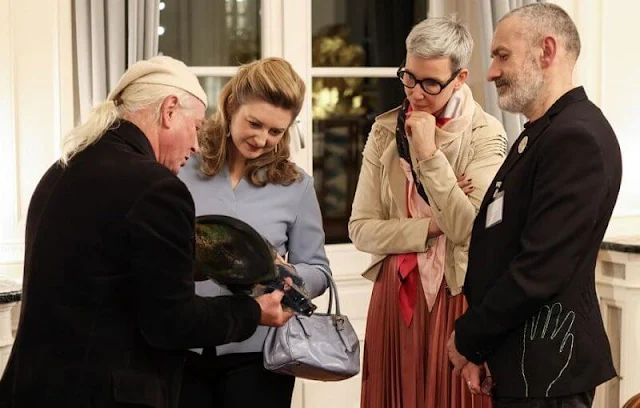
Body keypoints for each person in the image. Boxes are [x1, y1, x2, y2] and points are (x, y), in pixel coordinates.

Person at [0, 56, 293, 408]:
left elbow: (102, 274)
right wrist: (253, 312)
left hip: (29, 389)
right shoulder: (156, 187)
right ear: (170, 110)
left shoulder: (63, 168)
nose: (197, 146)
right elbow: (173, 323)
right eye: (196, 128)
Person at [448, 3, 621, 407]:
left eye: (501, 55)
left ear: (546, 51)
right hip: (521, 360)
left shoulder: (576, 138)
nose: (490, 72)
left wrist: (470, 338)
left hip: (549, 366)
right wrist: (489, 350)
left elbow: (540, 269)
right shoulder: (543, 133)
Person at [349, 15, 508, 408]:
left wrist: (428, 154)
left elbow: (468, 228)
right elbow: (361, 229)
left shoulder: (487, 135)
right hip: (396, 291)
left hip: (458, 294)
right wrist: (431, 225)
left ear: (460, 77)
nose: (416, 94)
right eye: (409, 77)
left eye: (431, 83)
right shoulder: (386, 130)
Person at [177, 57, 331, 408]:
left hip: (258, 356)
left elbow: (319, 272)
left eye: (276, 131)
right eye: (255, 123)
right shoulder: (183, 164)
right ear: (231, 105)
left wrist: (284, 273)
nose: (262, 139)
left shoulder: (296, 186)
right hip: (181, 348)